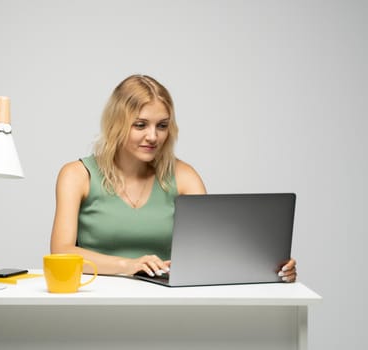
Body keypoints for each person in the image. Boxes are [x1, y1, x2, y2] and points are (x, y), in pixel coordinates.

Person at [50, 74, 297, 282]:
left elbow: (212, 252)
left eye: (162, 125)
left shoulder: (184, 177)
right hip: (94, 297)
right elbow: (61, 253)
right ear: (116, 124)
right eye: (140, 125)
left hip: (166, 300)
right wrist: (129, 265)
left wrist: (273, 267)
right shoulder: (76, 175)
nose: (153, 137)